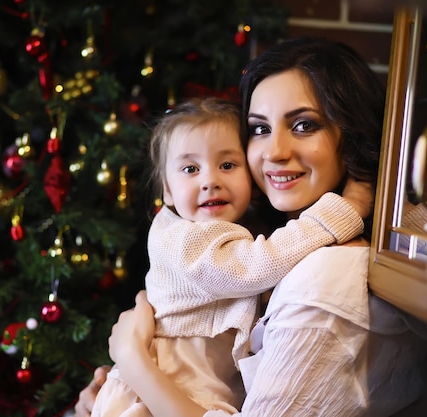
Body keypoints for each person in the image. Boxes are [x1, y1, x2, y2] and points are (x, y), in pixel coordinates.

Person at [77, 37, 427, 417]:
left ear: (352, 132)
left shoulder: (326, 275)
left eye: (304, 124)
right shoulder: (255, 239)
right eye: (260, 129)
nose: (275, 151)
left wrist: (133, 361)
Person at [89, 96, 369, 417]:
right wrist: (347, 209)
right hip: (161, 394)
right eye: (190, 169)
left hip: (187, 390)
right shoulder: (183, 237)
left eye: (227, 165)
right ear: (167, 190)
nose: (210, 181)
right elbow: (253, 267)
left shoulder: (233, 230)